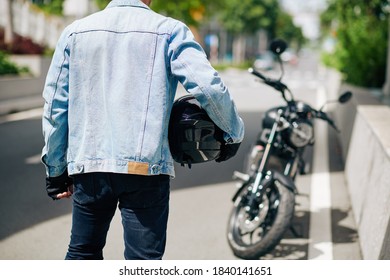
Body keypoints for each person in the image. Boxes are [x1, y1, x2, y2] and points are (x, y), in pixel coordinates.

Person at [41, 0, 244, 260]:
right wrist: (232, 132)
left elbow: (56, 107)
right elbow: (210, 88)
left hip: (90, 168)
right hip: (145, 168)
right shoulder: (169, 31)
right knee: (143, 263)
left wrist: (56, 169)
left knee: (83, 253)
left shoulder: (75, 32)